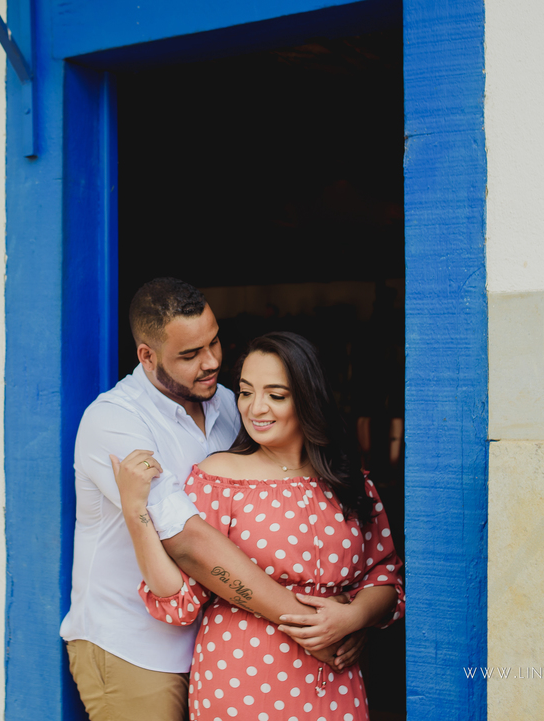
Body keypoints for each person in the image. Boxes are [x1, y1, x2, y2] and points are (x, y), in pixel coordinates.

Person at [62, 280, 363, 721]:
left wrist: (348, 618)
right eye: (190, 354)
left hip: (220, 648)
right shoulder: (114, 420)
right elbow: (186, 540)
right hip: (137, 648)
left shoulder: (232, 404)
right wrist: (313, 626)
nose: (212, 362)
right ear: (147, 356)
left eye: (214, 341)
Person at [113, 331, 404, 721]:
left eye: (276, 395)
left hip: (337, 679)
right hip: (241, 677)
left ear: (309, 398)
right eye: (246, 392)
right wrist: (136, 512)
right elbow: (180, 597)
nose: (255, 408)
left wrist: (354, 617)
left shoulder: (349, 480)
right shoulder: (219, 478)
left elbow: (384, 576)